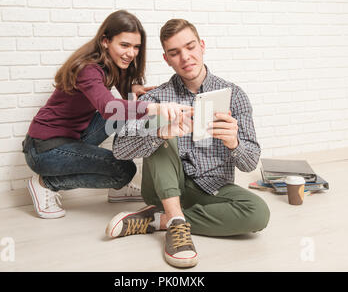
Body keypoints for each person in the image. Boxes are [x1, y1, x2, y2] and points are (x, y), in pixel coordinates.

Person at [105, 19, 270, 268]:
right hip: (163, 189)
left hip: (212, 186)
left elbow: (250, 163)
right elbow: (119, 149)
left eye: (190, 47)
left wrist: (234, 143)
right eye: (175, 53)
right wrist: (160, 130)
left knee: (258, 213)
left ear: (202, 46)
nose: (185, 57)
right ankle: (173, 219)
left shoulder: (234, 95)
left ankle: (163, 220)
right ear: (167, 59)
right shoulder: (156, 98)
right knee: (160, 129)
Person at [22, 10, 191, 219]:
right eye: (125, 45)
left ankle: (117, 189)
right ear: (105, 41)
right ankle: (46, 183)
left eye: (136, 47)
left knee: (122, 112)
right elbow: (108, 107)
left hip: (72, 136)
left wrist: (134, 89)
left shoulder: (111, 65)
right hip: (44, 149)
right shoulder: (87, 68)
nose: (131, 53)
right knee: (124, 170)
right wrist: (154, 108)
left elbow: (116, 102)